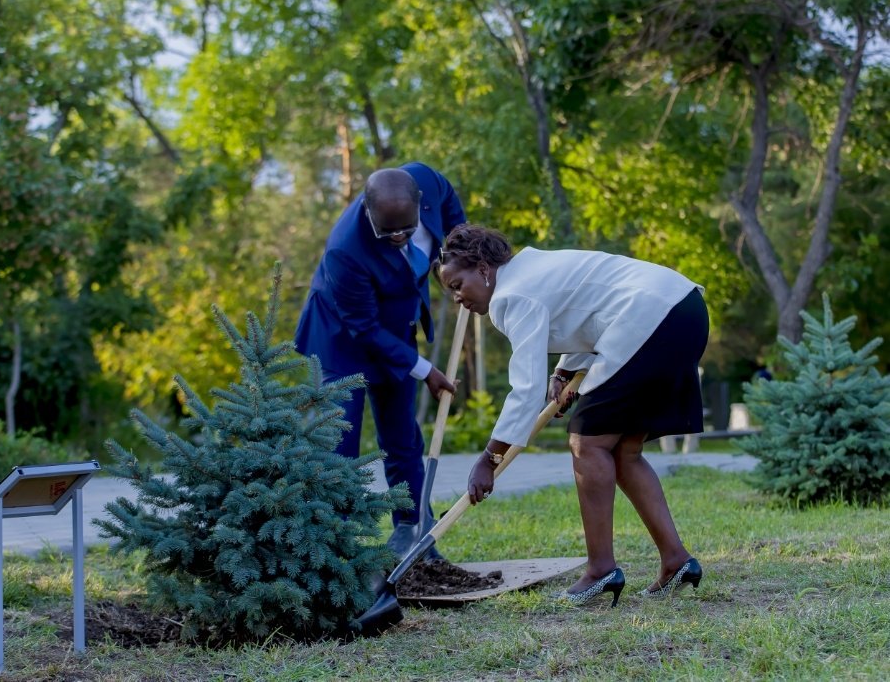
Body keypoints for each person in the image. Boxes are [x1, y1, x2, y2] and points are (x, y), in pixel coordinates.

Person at [437, 224, 707, 606]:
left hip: (650, 319)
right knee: (622, 451)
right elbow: (585, 313)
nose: (458, 298)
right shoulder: (530, 270)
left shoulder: (510, 296)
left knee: (587, 442)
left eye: (457, 285)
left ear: (483, 268)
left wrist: (489, 458)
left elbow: (525, 390)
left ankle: (600, 570)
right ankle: (676, 560)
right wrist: (562, 374)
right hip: (684, 309)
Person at [295, 163, 466, 558]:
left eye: (405, 229)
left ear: (419, 205)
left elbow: (455, 218)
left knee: (402, 436)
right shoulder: (345, 248)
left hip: (396, 326)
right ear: (368, 211)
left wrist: (465, 258)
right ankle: (332, 550)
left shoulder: (427, 182)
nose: (398, 237)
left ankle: (413, 532)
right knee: (338, 442)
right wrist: (424, 370)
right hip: (340, 339)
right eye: (386, 231)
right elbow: (364, 328)